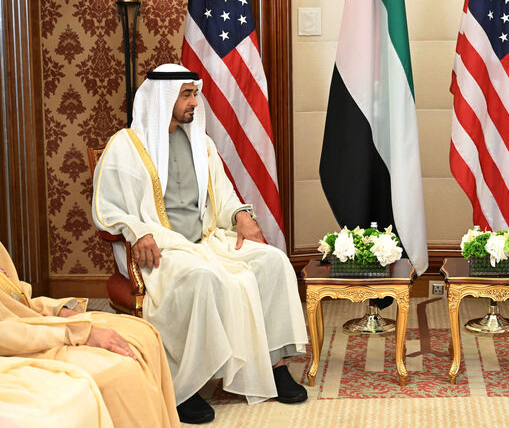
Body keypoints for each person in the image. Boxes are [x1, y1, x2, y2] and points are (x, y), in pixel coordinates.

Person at [92, 64, 309, 424]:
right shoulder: (126, 147)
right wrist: (136, 230)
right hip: (160, 248)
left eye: (196, 93)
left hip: (207, 239)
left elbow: (221, 198)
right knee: (204, 277)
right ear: (163, 99)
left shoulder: (200, 143)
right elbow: (107, 208)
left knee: (273, 263)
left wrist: (241, 215)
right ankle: (184, 384)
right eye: (187, 94)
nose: (195, 101)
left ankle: (274, 364)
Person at [0, 241, 179, 428]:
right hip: (15, 345)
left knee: (143, 332)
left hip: (33, 325)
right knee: (121, 370)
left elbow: (18, 299)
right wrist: (77, 332)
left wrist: (59, 311)